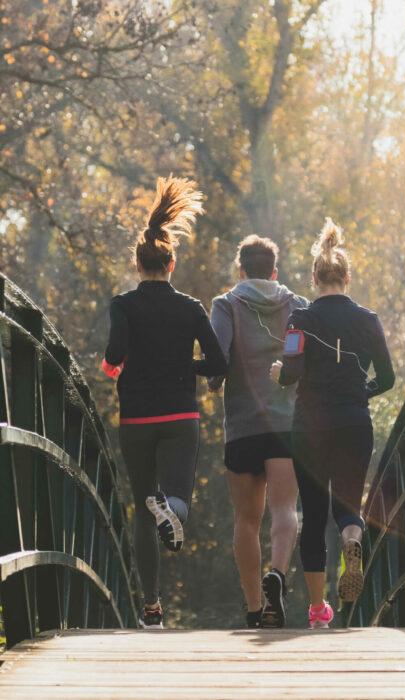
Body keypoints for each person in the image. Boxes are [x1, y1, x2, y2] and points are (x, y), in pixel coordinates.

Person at [103, 175, 227, 629]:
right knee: (175, 493)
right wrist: (185, 366)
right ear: (171, 264)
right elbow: (218, 362)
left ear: (138, 265)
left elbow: (115, 355)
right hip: (180, 414)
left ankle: (151, 607)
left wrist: (116, 363)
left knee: (141, 509)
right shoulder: (192, 306)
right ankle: (172, 509)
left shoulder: (123, 304)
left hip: (136, 416)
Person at [270, 218, 395, 629]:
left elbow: (291, 373)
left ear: (314, 278)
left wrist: (278, 374)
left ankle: (318, 611)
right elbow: (389, 379)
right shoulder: (369, 319)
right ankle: (352, 543)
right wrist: (360, 394)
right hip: (355, 422)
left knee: (313, 513)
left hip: (310, 427)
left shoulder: (299, 320)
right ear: (347, 276)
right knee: (347, 506)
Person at [209, 236, 308, 629]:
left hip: (244, 427)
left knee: (245, 521)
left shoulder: (226, 305)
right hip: (286, 425)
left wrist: (210, 376)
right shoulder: (299, 307)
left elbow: (217, 368)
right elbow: (307, 364)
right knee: (284, 509)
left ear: (241, 270)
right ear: (275, 271)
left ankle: (254, 609)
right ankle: (278, 576)